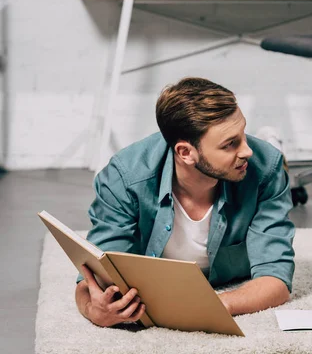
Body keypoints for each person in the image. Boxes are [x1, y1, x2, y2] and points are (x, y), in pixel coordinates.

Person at [75, 77, 295, 327]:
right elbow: (94, 275)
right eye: (230, 144)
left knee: (267, 159)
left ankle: (272, 140)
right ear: (185, 152)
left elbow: (276, 279)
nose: (247, 151)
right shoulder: (124, 178)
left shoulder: (266, 168)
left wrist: (215, 305)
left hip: (255, 183)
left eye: (244, 134)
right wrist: (93, 310)